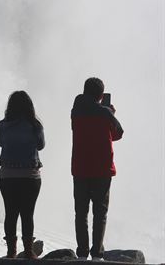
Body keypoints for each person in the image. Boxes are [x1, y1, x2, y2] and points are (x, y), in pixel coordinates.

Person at [71, 77, 124, 260]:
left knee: (81, 212)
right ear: (101, 95)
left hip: (80, 168)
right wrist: (110, 113)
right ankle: (96, 254)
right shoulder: (105, 114)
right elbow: (117, 134)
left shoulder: (75, 112)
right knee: (99, 212)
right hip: (102, 169)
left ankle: (82, 254)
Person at [0, 91, 45, 259]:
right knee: (27, 214)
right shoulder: (35, 125)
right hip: (30, 176)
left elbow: (0, 142)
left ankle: (11, 251)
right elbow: (41, 145)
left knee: (10, 214)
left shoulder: (3, 125)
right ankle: (29, 251)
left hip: (8, 176)